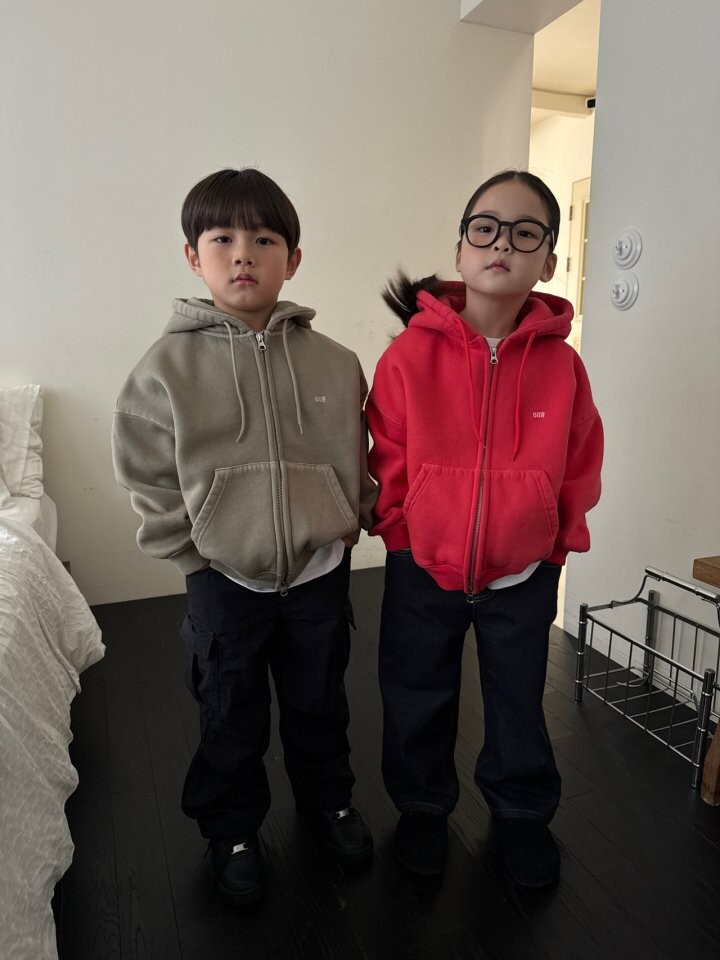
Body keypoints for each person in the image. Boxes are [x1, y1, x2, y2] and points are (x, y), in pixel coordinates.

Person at [112, 168, 376, 906]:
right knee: (229, 711)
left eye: (264, 239)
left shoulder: (335, 361)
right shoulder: (164, 368)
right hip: (223, 578)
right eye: (222, 238)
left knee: (320, 702)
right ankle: (231, 830)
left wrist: (349, 520)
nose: (242, 254)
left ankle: (329, 803)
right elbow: (146, 471)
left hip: (320, 571)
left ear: (293, 257)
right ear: (193, 256)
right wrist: (190, 552)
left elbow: (358, 453)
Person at [366, 170, 603, 887]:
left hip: (523, 574)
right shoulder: (409, 356)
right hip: (422, 566)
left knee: (518, 698)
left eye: (525, 233)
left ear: (548, 262)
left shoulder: (564, 367)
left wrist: (554, 550)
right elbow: (388, 457)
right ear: (461, 250)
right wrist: (402, 539)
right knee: (416, 691)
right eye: (486, 228)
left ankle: (521, 812)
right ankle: (421, 806)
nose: (502, 243)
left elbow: (578, 464)